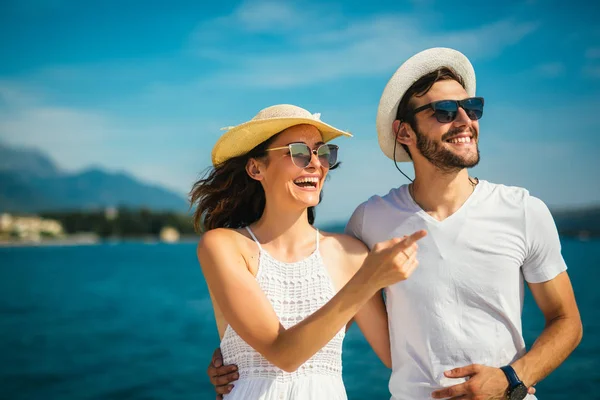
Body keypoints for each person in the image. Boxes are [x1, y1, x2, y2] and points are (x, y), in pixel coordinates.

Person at [206, 48, 583, 400]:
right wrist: (241, 346)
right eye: (446, 110)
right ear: (404, 132)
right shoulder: (369, 223)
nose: (465, 119)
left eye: (471, 107)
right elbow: (323, 324)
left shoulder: (523, 210)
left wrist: (511, 379)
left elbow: (567, 321)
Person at [191, 104, 427, 400]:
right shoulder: (224, 245)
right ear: (256, 168)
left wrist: (503, 373)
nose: (317, 164)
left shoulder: (351, 255)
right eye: (299, 152)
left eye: (323, 152)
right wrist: (367, 281)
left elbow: (402, 362)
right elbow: (284, 355)